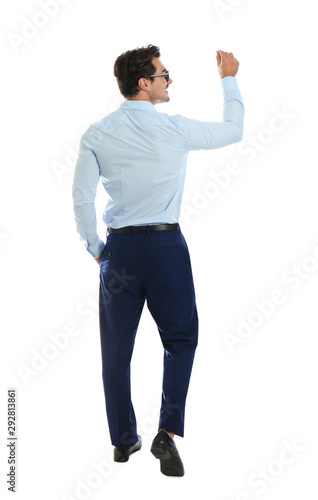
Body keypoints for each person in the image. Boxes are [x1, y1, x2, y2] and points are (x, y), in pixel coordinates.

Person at [72, 44, 244, 477]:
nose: (170, 81)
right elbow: (234, 129)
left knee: (115, 352)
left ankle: (122, 440)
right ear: (144, 83)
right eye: (164, 75)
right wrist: (229, 78)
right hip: (167, 250)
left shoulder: (97, 133)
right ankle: (166, 434)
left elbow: (81, 198)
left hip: (120, 253)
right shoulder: (176, 130)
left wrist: (97, 249)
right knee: (181, 340)